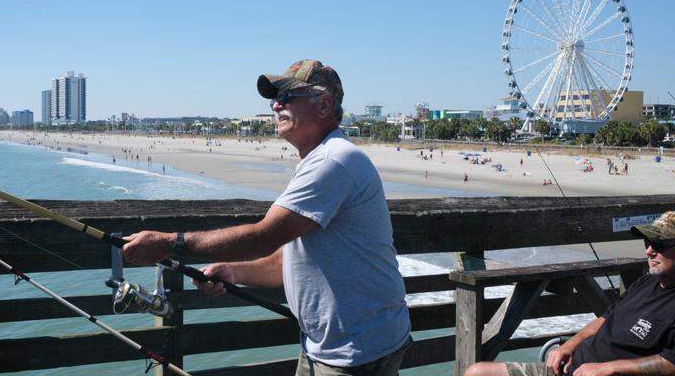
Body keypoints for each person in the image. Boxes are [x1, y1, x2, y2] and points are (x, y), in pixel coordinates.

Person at [121, 60, 411, 375]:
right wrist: (234, 271)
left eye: (288, 96)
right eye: (275, 97)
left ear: (324, 105)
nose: (275, 105)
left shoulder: (333, 161)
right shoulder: (323, 159)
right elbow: (289, 260)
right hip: (332, 343)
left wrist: (169, 243)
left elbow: (264, 237)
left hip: (355, 351)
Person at [463, 211, 675, 376]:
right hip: (567, 367)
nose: (649, 251)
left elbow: (670, 363)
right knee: (477, 372)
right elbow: (605, 318)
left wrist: (608, 369)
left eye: (659, 244)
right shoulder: (646, 281)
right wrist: (570, 345)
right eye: (647, 242)